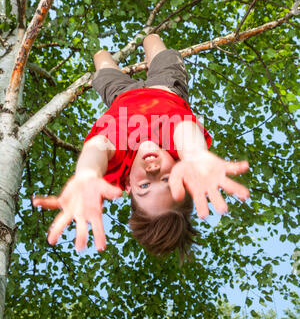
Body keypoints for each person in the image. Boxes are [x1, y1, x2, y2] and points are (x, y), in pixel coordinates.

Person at [33, 34, 250, 262]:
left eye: (145, 185)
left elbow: (96, 148)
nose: (153, 170)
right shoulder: (178, 146)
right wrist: (196, 155)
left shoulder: (117, 159)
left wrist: (87, 174)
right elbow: (186, 131)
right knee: (154, 42)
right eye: (166, 180)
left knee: (101, 60)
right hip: (166, 84)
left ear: (128, 184)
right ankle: (145, 36)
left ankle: (107, 49)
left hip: (120, 94)